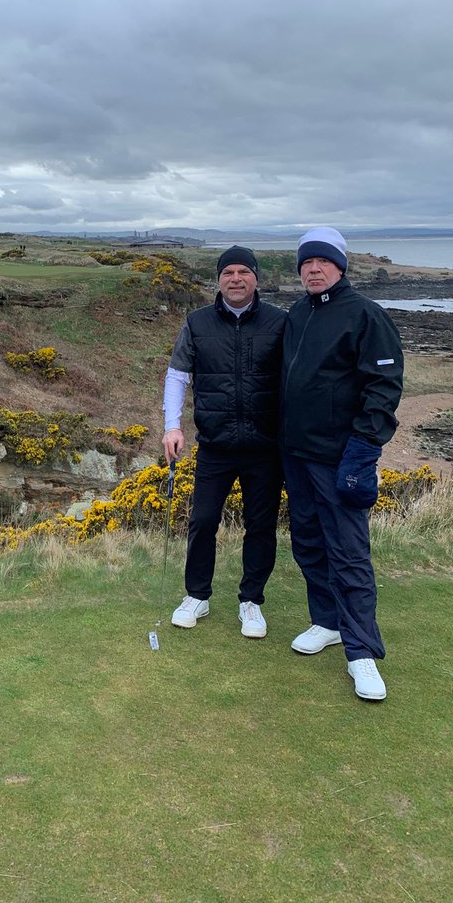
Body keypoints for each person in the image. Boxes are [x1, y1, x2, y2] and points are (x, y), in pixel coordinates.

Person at [282, 226, 403, 702]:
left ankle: (362, 654)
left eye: (323, 262)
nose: (313, 269)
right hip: (296, 454)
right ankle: (327, 622)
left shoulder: (365, 315)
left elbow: (383, 389)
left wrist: (363, 451)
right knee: (309, 543)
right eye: (306, 263)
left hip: (340, 457)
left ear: (340, 267)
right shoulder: (296, 313)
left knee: (348, 553)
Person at [163, 246, 286, 638]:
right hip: (215, 445)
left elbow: (297, 379)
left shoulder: (280, 322)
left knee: (261, 526)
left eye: (243, 272)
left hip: (265, 447)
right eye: (228, 272)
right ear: (218, 279)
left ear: (256, 278)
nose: (236, 279)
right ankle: (197, 596)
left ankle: (251, 601)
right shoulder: (197, 323)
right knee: (202, 522)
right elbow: (177, 375)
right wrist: (172, 426)